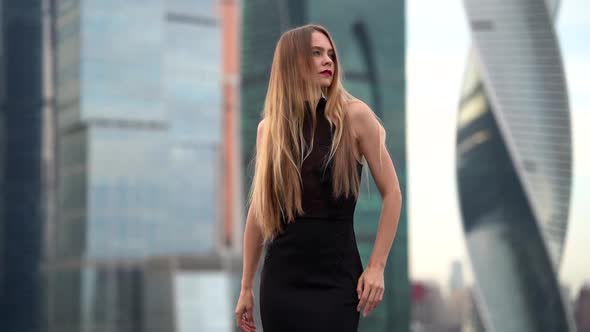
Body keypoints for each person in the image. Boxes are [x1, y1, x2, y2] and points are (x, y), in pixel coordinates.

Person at [234, 24, 402, 332]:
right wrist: (246, 286)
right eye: (316, 53)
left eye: (331, 54)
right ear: (292, 62)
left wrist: (377, 266)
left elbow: (392, 193)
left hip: (336, 283)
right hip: (282, 284)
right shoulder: (268, 131)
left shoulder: (355, 117)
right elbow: (258, 213)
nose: (328, 61)